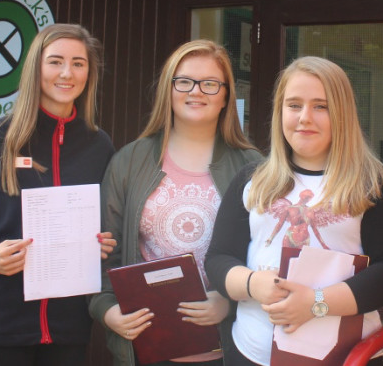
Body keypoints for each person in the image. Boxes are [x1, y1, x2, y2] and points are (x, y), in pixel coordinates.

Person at [205, 56, 383, 366]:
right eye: (294, 105)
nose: (305, 117)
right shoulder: (252, 180)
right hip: (251, 354)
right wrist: (252, 284)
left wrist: (316, 304)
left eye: (321, 106)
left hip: (343, 356)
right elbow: (219, 258)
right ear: (280, 112)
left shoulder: (373, 183)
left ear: (341, 113)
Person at [0, 23, 116, 366]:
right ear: (36, 68)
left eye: (78, 63)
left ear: (89, 73)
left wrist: (104, 242)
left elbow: (106, 224)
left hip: (69, 330)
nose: (67, 73)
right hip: (2, 328)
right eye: (55, 61)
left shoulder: (99, 145)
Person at [89, 39, 263, 366]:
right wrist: (108, 310)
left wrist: (231, 300)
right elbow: (103, 251)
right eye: (184, 81)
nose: (196, 91)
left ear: (226, 95)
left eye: (210, 84)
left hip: (228, 348)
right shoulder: (129, 161)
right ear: (168, 90)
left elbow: (266, 254)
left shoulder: (252, 166)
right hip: (149, 348)